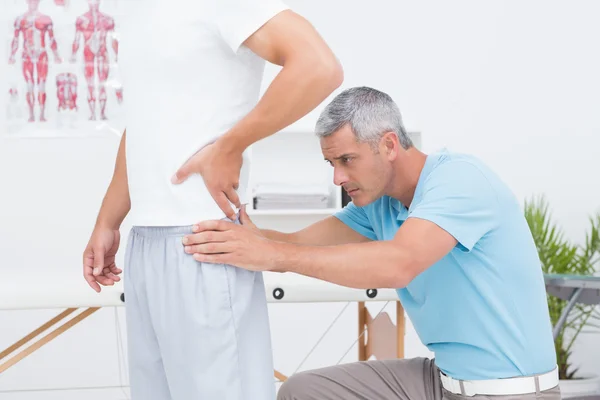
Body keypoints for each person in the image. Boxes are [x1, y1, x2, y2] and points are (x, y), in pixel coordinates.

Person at [183, 86, 562, 400]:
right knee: (303, 392)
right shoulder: (378, 205)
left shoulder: (459, 180)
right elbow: (300, 244)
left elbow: (399, 263)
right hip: (440, 381)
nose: (337, 178)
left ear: (389, 144)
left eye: (347, 160)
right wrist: (242, 236)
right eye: (330, 163)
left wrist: (273, 254)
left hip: (508, 391)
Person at [81, 0, 343, 398]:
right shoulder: (139, 15)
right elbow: (146, 126)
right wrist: (108, 221)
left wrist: (230, 146)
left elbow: (319, 67)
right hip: (146, 245)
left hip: (202, 241)